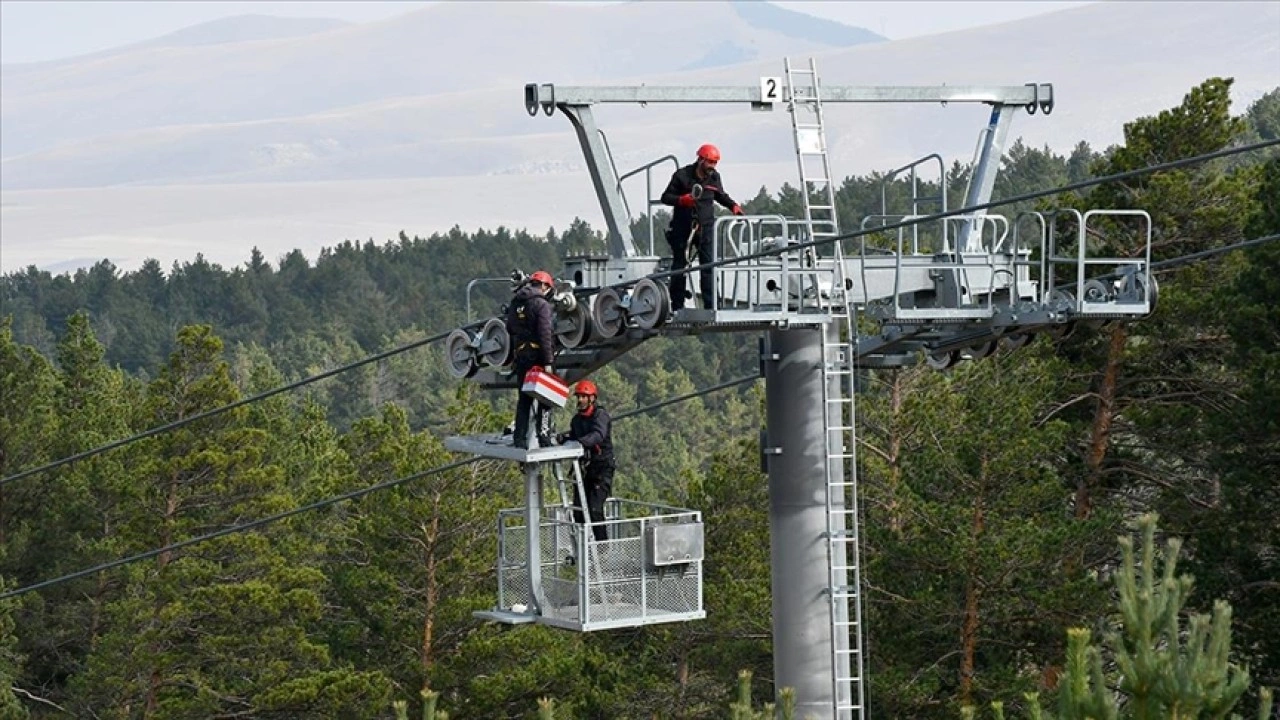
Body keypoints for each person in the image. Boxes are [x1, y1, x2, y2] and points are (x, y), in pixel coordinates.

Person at [660, 143, 744, 311]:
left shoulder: (714, 178)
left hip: (705, 228)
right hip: (683, 228)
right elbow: (666, 197)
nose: (712, 167)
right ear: (701, 160)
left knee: (708, 266)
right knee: (680, 266)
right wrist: (682, 200)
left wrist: (733, 206)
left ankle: (711, 305)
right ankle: (677, 305)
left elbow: (720, 195)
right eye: (710, 163)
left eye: (715, 163)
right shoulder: (682, 176)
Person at [556, 380, 614, 542]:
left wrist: (581, 443)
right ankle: (582, 546)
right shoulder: (577, 420)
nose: (580, 400)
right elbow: (575, 435)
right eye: (579, 396)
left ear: (592, 399)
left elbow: (598, 434)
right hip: (585, 468)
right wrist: (565, 438)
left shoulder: (600, 416)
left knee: (595, 509)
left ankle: (602, 547)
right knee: (579, 511)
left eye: (584, 397)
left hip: (602, 468)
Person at [505, 270, 557, 449]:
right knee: (545, 398)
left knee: (524, 399)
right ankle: (544, 437)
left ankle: (519, 439)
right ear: (544, 286)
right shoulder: (541, 304)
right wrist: (548, 362)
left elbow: (509, 327)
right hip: (538, 357)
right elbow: (545, 334)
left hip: (521, 356)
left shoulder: (516, 302)